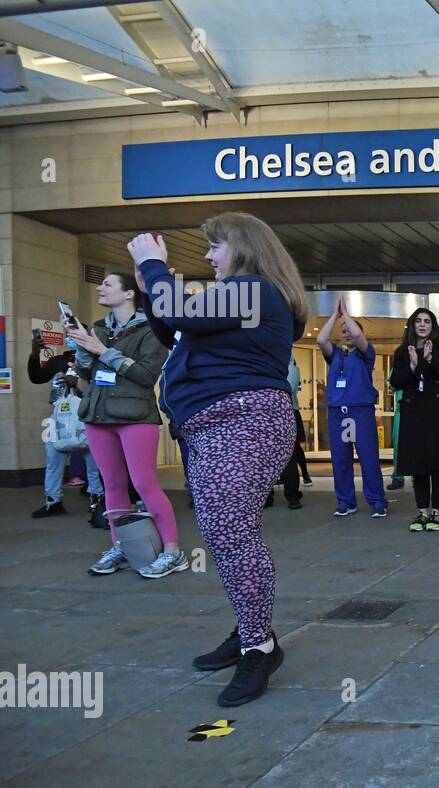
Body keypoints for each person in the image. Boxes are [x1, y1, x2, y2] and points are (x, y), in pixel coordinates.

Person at [132, 211, 308, 706]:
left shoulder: (258, 291)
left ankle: (259, 645)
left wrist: (152, 267)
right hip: (215, 424)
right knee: (224, 532)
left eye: (216, 246)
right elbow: (173, 329)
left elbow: (178, 315)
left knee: (229, 531)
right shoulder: (235, 301)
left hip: (244, 419)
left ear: (246, 248)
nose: (208, 256)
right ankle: (249, 628)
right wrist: (153, 285)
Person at [64, 272, 186, 579]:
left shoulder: (151, 329)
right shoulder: (99, 328)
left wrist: (102, 351)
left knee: (145, 484)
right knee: (113, 485)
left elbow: (146, 376)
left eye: (108, 284)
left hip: (135, 416)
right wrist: (81, 344)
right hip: (98, 414)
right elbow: (88, 371)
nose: (100, 289)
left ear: (129, 293)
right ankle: (122, 546)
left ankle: (173, 551)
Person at [390, 308, 439, 530]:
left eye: (427, 322)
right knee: (418, 465)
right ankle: (422, 512)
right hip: (414, 416)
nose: (423, 325)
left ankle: (437, 513)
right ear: (413, 325)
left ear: (433, 327)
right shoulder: (402, 352)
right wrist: (412, 366)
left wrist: (430, 358)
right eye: (419, 321)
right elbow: (396, 381)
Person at [318, 299, 387, 518]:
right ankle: (346, 502)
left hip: (360, 411)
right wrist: (335, 316)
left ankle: (377, 502)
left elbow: (358, 336)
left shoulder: (366, 354)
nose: (347, 334)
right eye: (343, 331)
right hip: (338, 412)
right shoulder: (336, 355)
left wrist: (346, 313)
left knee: (368, 458)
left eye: (350, 329)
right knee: (340, 460)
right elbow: (321, 339)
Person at [28, 331, 104, 521]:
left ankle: (96, 499)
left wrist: (78, 381)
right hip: (60, 417)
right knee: (53, 459)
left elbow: (104, 383)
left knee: (93, 462)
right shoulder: (58, 361)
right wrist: (34, 354)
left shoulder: (96, 357)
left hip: (87, 416)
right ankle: (53, 501)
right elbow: (36, 377)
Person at [268, 356, 307, 510]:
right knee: (267, 456)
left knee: (288, 455)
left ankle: (292, 495)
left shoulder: (289, 362)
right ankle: (267, 495)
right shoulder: (272, 360)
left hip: (285, 411)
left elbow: (289, 387)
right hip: (270, 412)